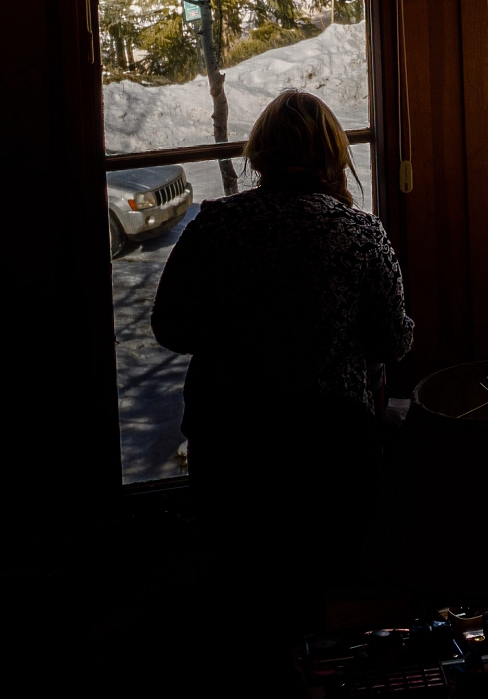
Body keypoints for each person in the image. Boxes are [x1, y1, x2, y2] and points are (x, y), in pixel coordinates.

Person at [152, 89, 412, 573]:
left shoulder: (214, 225)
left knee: (247, 585)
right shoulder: (359, 233)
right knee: (337, 581)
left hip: (231, 444)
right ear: (334, 157)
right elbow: (393, 342)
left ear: (260, 154)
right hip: (331, 450)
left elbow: (170, 327)